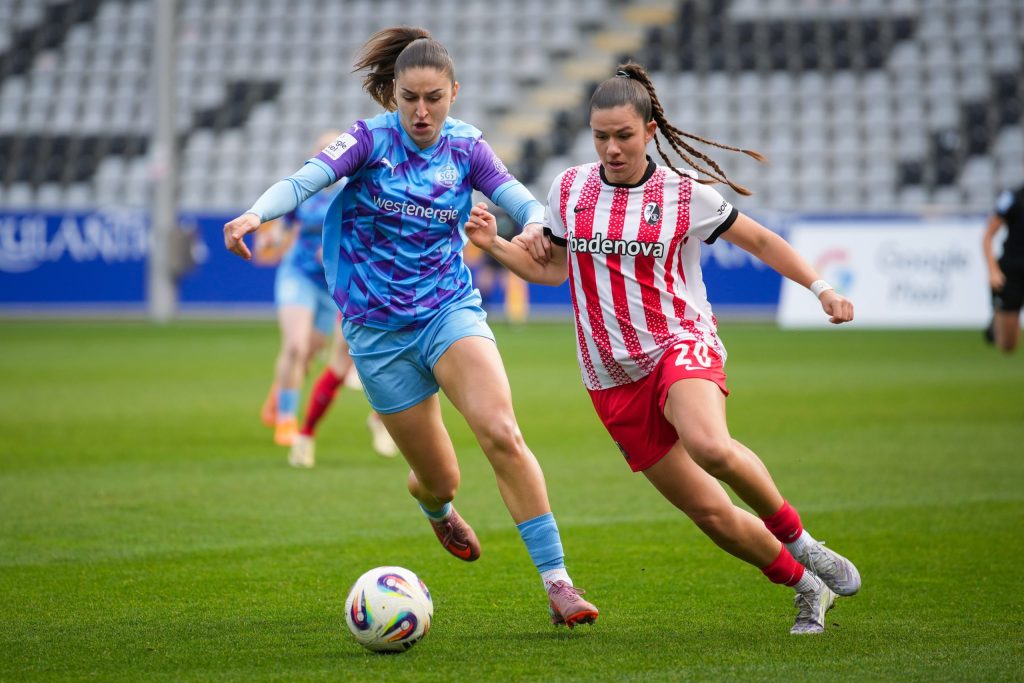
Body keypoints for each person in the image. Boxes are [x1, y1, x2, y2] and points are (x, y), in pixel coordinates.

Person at [464, 62, 860, 635]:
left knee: (710, 446)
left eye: (624, 135)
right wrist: (495, 244)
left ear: (649, 131)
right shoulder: (569, 189)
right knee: (712, 513)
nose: (612, 148)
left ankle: (802, 541)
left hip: (680, 342)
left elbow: (760, 240)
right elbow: (552, 271)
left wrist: (822, 288)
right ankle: (806, 585)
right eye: (601, 136)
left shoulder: (683, 194)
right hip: (610, 378)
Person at [223, 27, 598, 627]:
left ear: (454, 93)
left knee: (502, 432)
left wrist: (534, 222)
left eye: (434, 98)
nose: (421, 112)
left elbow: (518, 196)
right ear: (392, 94)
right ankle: (434, 505)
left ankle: (559, 584)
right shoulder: (368, 140)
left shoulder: (466, 147)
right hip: (377, 334)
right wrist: (254, 213)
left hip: (448, 311)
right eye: (409, 99)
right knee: (440, 478)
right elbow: (304, 181)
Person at [253, 130, 394, 465]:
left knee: (310, 353)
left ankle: (279, 393)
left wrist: (336, 252)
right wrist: (271, 241)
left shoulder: (352, 192)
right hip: (298, 275)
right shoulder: (305, 191)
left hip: (331, 285)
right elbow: (284, 230)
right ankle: (287, 420)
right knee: (296, 346)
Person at [289, 317, 400, 468]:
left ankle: (379, 419)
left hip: (396, 309)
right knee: (339, 367)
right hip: (360, 309)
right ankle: (305, 435)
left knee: (398, 367)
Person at [983, 183, 1024, 353]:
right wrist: (993, 271)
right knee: (1008, 346)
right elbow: (987, 237)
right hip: (1013, 270)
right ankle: (999, 318)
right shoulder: (1012, 198)